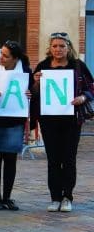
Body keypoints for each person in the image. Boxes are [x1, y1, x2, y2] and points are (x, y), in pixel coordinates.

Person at [32, 32, 92, 213]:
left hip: (72, 120)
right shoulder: (43, 66)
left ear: (69, 48)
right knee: (53, 160)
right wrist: (35, 83)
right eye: (55, 46)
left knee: (69, 159)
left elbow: (92, 88)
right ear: (50, 48)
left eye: (62, 46)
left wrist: (82, 97)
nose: (58, 49)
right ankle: (55, 197)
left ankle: (67, 197)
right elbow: (33, 93)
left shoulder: (78, 66)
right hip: (49, 120)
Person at [0, 40, 31, 211]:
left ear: (15, 58)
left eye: (5, 55)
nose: (0, 58)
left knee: (10, 160)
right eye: (0, 54)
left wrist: (31, 91)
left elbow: (32, 91)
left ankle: (7, 197)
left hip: (14, 120)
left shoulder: (25, 71)